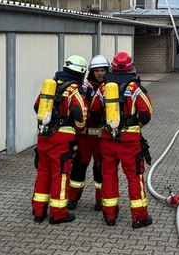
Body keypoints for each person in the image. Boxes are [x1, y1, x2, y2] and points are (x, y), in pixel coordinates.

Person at [89, 51, 154, 228]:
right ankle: (139, 217)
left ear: (113, 67)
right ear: (131, 67)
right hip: (129, 142)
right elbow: (146, 115)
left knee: (108, 176)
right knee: (134, 177)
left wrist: (106, 124)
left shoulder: (104, 88)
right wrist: (134, 126)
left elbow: (94, 110)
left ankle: (109, 215)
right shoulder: (136, 88)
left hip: (107, 141)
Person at [31, 55, 88, 225]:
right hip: (62, 141)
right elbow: (80, 113)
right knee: (60, 175)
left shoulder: (51, 85)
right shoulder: (74, 90)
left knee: (43, 173)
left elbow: (37, 106)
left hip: (44, 138)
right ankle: (58, 213)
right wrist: (80, 128)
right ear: (81, 72)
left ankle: (38, 212)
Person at [67, 54, 109, 211]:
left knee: (100, 168)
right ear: (92, 72)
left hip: (100, 136)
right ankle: (72, 199)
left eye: (103, 70)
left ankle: (100, 199)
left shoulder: (110, 88)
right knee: (79, 166)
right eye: (97, 70)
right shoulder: (84, 88)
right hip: (84, 136)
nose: (100, 73)